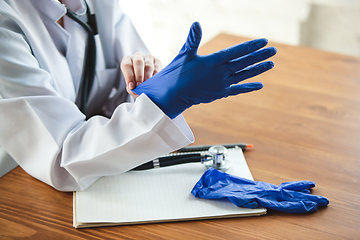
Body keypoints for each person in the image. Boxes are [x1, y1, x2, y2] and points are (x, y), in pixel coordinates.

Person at [0, 0, 276, 191]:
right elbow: (61, 159)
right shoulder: (5, 24)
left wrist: (144, 84)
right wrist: (159, 105)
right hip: (15, 182)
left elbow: (128, 88)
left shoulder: (96, 4)